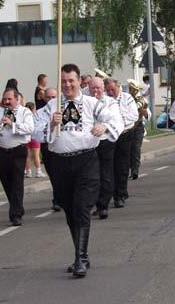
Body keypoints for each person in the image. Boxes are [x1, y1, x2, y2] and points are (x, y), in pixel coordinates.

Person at [35, 64, 122, 278]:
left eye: (71, 80)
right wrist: (49, 124)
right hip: (60, 164)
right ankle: (81, 253)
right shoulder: (51, 106)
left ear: (78, 81)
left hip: (86, 161)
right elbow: (35, 132)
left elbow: (115, 119)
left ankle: (80, 258)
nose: (67, 85)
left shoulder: (92, 104)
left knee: (82, 207)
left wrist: (104, 127)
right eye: (63, 81)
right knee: (70, 210)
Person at [0, 88, 34, 226]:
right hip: (3, 151)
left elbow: (30, 128)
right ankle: (17, 206)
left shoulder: (25, 112)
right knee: (6, 180)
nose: (6, 102)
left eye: (9, 99)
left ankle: (15, 214)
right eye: (5, 99)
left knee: (17, 182)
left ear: (16, 99)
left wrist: (12, 124)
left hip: (18, 150)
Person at [88, 77, 124, 219]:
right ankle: (94, 203)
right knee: (91, 175)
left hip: (105, 141)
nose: (96, 91)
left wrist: (105, 126)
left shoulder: (110, 102)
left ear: (103, 88)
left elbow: (116, 119)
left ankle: (103, 205)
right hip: (89, 142)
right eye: (93, 88)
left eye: (98, 88)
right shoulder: (85, 101)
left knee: (106, 173)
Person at [105, 78, 139, 208]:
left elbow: (134, 116)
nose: (110, 92)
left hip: (125, 134)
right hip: (110, 135)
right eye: (108, 90)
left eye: (112, 90)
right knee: (109, 166)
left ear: (118, 86)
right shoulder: (105, 100)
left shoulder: (127, 98)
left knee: (122, 166)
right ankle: (111, 193)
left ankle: (120, 194)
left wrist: (118, 119)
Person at [31, 87, 60, 211]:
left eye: (53, 97)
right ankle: (57, 199)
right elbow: (36, 130)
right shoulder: (40, 113)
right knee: (53, 174)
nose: (51, 100)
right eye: (48, 97)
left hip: (61, 146)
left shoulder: (63, 109)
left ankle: (63, 197)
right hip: (47, 146)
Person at [129, 81, 151, 180]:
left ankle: (135, 171)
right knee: (127, 149)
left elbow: (148, 114)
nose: (131, 91)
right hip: (128, 127)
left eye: (133, 89)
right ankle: (128, 168)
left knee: (136, 149)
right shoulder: (127, 99)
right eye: (130, 89)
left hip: (138, 127)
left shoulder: (141, 100)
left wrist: (145, 113)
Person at [24, 102, 44, 178]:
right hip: (34, 137)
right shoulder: (35, 116)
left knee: (27, 156)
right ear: (33, 109)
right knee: (36, 155)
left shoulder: (25, 117)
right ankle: (38, 171)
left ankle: (28, 171)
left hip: (27, 137)